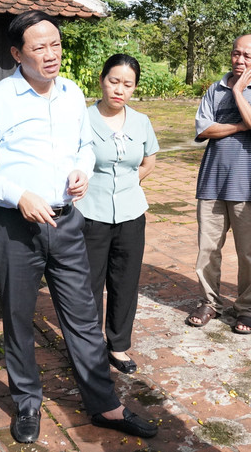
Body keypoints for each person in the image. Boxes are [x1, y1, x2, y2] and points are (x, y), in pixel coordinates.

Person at [0, 10, 158, 444]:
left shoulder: (71, 94)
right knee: (18, 317)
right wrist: (19, 195)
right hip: (16, 226)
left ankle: (104, 405)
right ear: (17, 53)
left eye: (56, 44)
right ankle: (27, 402)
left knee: (84, 317)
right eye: (39, 47)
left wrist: (81, 170)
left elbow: (85, 145)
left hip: (68, 221)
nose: (51, 55)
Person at [186, 35, 251, 334]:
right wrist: (240, 124)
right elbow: (205, 129)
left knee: (248, 252)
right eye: (236, 54)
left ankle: (247, 308)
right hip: (212, 182)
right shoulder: (214, 90)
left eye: (247, 56)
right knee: (207, 249)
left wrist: (239, 91)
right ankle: (209, 301)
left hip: (248, 184)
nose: (239, 60)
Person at [76, 54, 159, 375]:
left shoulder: (141, 122)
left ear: (134, 88)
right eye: (114, 81)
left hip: (131, 213)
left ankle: (119, 345)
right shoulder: (81, 119)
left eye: (127, 84)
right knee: (89, 284)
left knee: (125, 281)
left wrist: (126, 184)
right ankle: (88, 346)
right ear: (101, 80)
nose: (119, 90)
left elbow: (148, 160)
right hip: (89, 213)